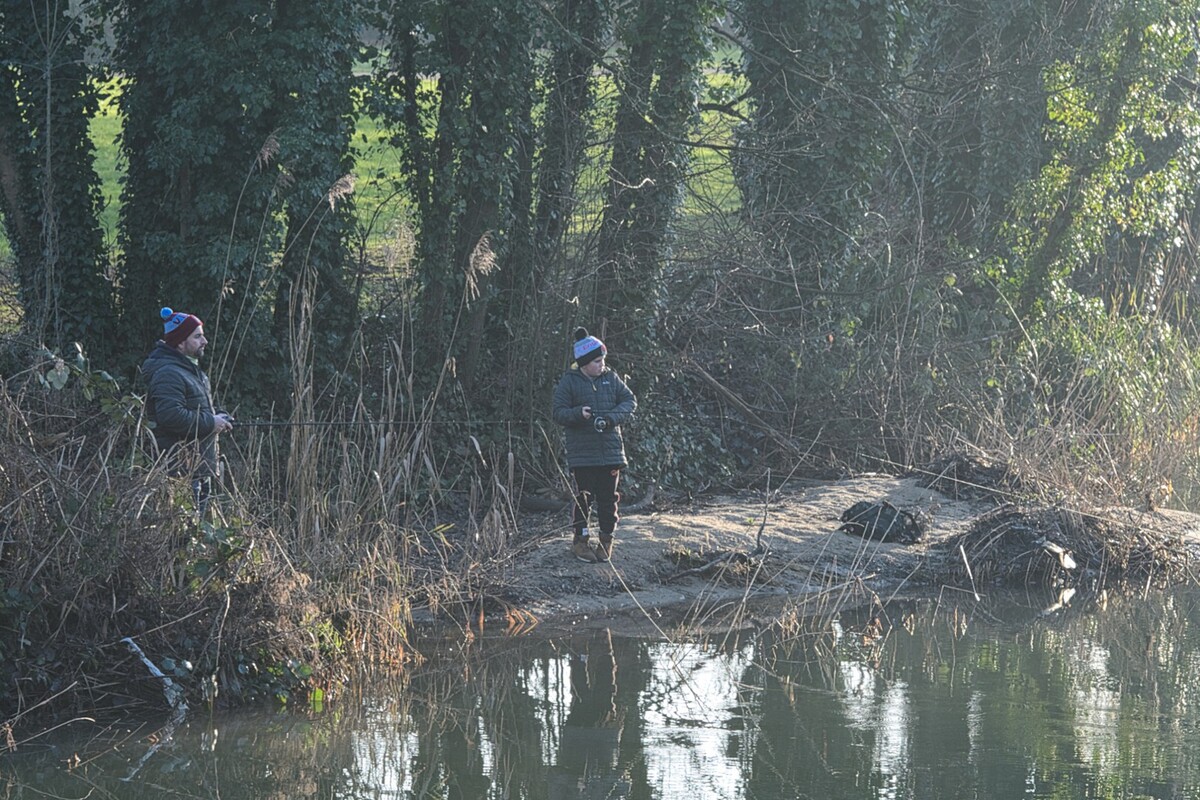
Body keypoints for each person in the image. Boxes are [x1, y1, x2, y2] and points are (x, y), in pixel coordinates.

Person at [552, 327, 637, 563]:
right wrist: (579, 414)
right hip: (582, 455)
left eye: (603, 360)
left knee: (609, 500)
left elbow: (630, 401)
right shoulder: (569, 382)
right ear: (584, 362)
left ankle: (606, 541)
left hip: (611, 453)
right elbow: (558, 412)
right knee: (583, 499)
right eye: (598, 361)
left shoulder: (611, 378)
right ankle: (580, 542)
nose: (602, 364)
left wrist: (611, 418)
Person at [141, 307, 233, 518]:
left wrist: (218, 418)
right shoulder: (169, 373)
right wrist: (211, 422)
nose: (205, 341)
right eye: (198, 336)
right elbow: (170, 416)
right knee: (182, 536)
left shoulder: (188, 369)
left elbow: (192, 410)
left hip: (198, 469)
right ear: (180, 342)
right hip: (180, 471)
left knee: (197, 534)